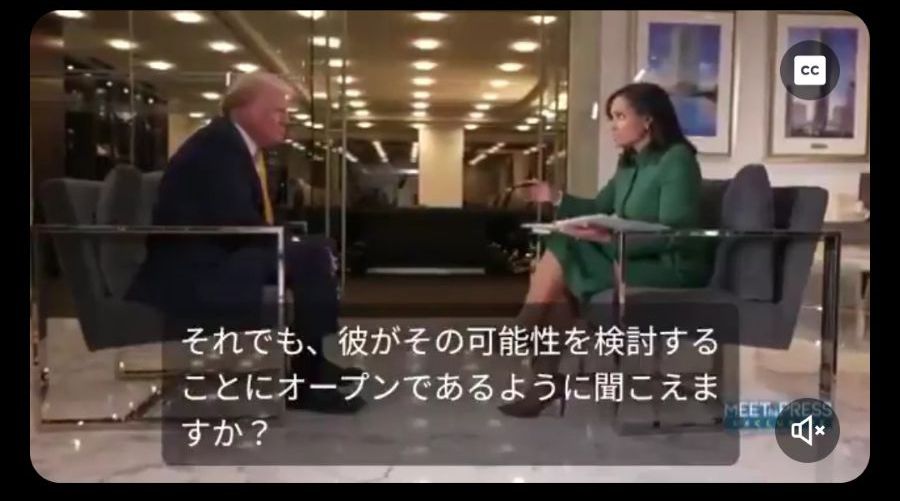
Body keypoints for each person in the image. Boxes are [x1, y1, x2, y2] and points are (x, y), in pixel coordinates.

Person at [127, 72, 365, 414]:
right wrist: (294, 244)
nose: (286, 119)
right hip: (196, 271)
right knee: (312, 256)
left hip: (216, 254)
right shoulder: (218, 148)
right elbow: (237, 220)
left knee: (316, 248)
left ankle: (313, 365)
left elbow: (238, 220)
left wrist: (294, 242)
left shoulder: (231, 144)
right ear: (246, 109)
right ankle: (308, 383)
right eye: (278, 111)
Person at [498, 82, 714, 418]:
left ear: (648, 120)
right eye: (612, 117)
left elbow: (677, 235)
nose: (613, 125)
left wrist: (608, 241)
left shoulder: (677, 160)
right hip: (628, 253)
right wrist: (556, 197)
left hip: (672, 266)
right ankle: (541, 373)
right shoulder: (628, 164)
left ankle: (525, 330)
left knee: (565, 253)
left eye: (620, 116)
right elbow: (599, 207)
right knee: (563, 263)